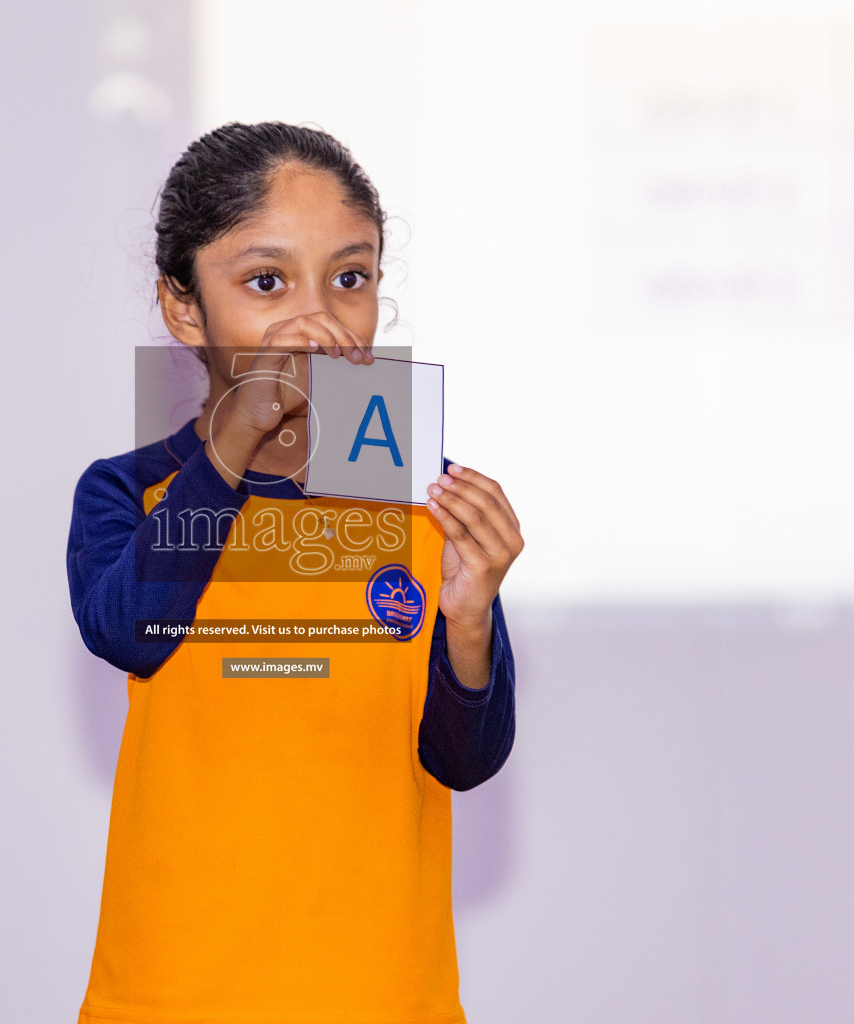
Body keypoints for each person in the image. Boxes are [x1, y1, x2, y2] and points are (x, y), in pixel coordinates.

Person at [66, 122, 522, 1024]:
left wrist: (468, 624)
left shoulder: (422, 500)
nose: (316, 316)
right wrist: (236, 433)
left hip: (387, 1000)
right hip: (170, 998)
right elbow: (128, 627)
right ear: (184, 307)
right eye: (266, 281)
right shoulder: (130, 490)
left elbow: (465, 762)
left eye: (348, 278)